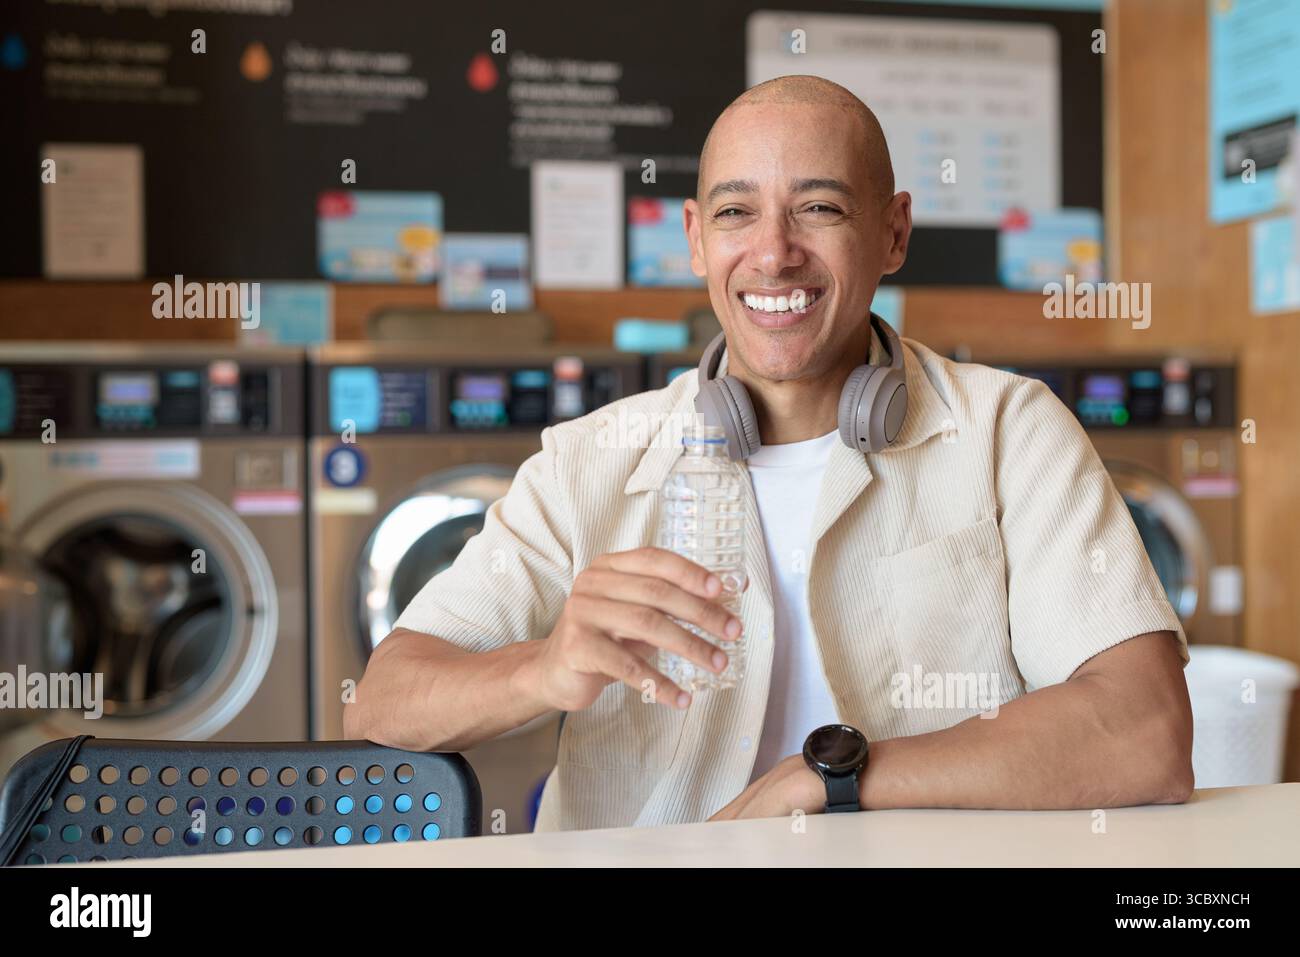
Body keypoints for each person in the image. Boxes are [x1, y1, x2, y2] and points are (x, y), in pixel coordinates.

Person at [347, 75, 1193, 831]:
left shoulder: (1011, 433)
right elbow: (383, 701)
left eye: (819, 207)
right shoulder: (589, 462)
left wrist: (834, 780)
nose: (774, 250)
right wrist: (543, 667)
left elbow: (1146, 732)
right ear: (695, 238)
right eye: (735, 211)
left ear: (894, 231)